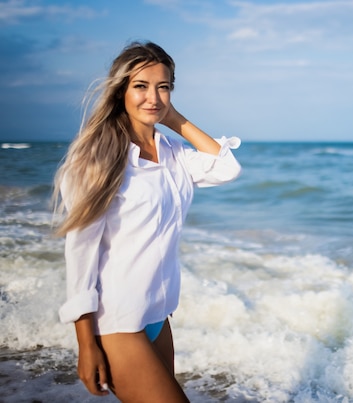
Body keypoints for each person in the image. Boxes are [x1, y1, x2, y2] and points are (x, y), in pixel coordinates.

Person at [53, 41, 241, 402]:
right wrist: (85, 343)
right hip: (118, 320)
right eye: (141, 86)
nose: (152, 96)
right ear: (121, 89)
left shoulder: (172, 153)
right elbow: (80, 254)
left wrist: (173, 119)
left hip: (159, 314)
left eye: (163, 87)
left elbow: (228, 167)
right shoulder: (98, 158)